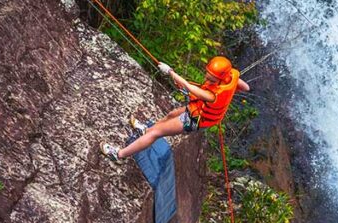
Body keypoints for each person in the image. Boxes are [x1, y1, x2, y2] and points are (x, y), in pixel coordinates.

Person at [101, 56, 250, 162]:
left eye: (211, 79)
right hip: (198, 109)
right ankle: (145, 130)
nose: (207, 79)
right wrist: (229, 92)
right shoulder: (231, 77)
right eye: (207, 75)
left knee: (156, 133)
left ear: (221, 79)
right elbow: (245, 87)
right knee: (172, 114)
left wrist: (170, 72)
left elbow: (189, 87)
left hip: (196, 119)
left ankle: (119, 155)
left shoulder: (212, 95)